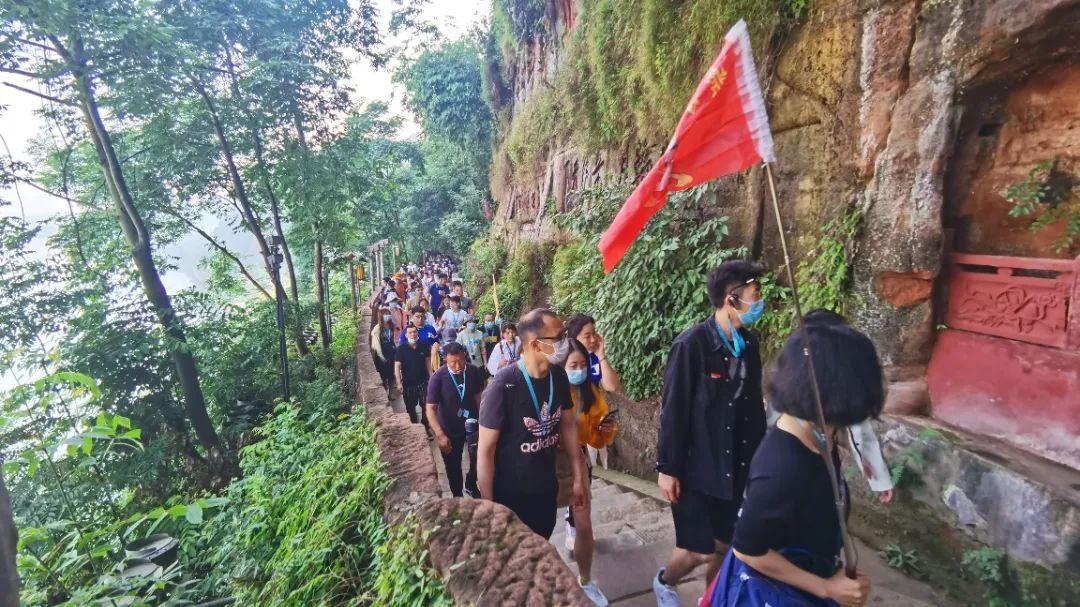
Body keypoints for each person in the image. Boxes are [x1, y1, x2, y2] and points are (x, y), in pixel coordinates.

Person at [702, 321, 880, 607]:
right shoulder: (782, 465)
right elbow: (747, 549)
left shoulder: (823, 433)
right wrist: (826, 588)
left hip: (813, 567)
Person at [653, 260, 768, 606]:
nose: (760, 301)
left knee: (723, 543)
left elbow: (752, 409)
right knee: (697, 550)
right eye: (755, 294)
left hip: (735, 465)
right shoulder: (691, 346)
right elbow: (673, 411)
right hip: (696, 466)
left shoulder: (749, 343)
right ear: (732, 299)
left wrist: (762, 462)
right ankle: (664, 581)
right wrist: (667, 468)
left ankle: (712, 600)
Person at [477, 308, 588, 540]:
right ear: (536, 345)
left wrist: (579, 478)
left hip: (546, 489)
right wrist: (489, 509)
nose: (565, 342)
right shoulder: (504, 386)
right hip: (510, 498)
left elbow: (568, 426)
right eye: (558, 337)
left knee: (542, 544)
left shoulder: (558, 376)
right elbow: (485, 451)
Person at [801, 309, 895, 504]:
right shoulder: (798, 378)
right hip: (798, 460)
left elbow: (859, 428)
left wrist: (879, 479)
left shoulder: (841, 376)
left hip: (826, 460)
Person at [556, 338, 617, 606]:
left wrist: (603, 432)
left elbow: (596, 437)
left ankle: (585, 579)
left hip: (578, 460)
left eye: (583, 364)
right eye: (573, 364)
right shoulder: (549, 389)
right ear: (561, 366)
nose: (579, 369)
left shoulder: (590, 392)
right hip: (544, 461)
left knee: (584, 525)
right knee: (540, 525)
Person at [426, 342, 487, 497]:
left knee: (477, 459)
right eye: (452, 363)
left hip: (472, 426)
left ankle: (471, 484)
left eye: (461, 361)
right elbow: (430, 410)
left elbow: (478, 397)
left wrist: (483, 423)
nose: (458, 366)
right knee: (453, 466)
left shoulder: (473, 371)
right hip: (449, 429)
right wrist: (440, 435)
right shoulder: (438, 378)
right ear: (445, 360)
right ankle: (457, 494)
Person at [566, 314, 623, 394]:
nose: (593, 340)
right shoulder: (564, 358)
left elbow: (612, 387)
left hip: (592, 403)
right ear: (574, 338)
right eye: (587, 336)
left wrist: (601, 356)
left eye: (594, 334)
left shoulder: (594, 357)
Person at [395, 325, 433, 436]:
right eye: (410, 333)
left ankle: (426, 427)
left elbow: (428, 362)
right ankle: (416, 429)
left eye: (415, 332)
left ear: (418, 334)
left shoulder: (424, 346)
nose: (413, 334)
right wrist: (399, 382)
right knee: (410, 408)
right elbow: (397, 366)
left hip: (423, 381)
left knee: (426, 405)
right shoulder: (401, 349)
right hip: (408, 384)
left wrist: (431, 376)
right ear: (406, 335)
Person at [370, 306, 397, 392]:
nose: (387, 316)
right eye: (385, 314)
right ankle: (385, 392)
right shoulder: (377, 328)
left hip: (391, 353)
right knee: (384, 376)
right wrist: (381, 356)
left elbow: (392, 339)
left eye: (388, 314)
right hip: (382, 353)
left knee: (392, 375)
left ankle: (391, 393)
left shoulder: (390, 325)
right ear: (381, 316)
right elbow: (376, 344)